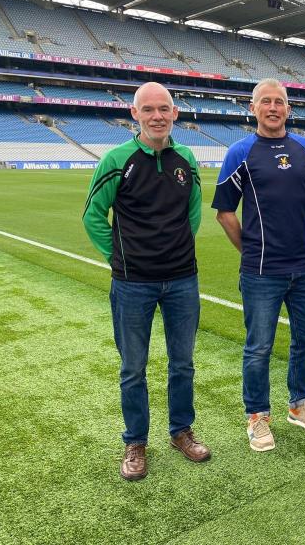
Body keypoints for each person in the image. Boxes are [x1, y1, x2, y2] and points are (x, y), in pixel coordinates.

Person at [83, 82, 210, 481]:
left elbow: (192, 214)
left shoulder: (186, 158)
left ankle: (181, 432)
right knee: (133, 368)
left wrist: (176, 251)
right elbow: (92, 216)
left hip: (182, 282)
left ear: (175, 114)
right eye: (149, 109)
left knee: (183, 363)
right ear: (134, 114)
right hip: (132, 284)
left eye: (165, 109)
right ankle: (135, 441)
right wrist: (119, 257)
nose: (157, 116)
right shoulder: (117, 160)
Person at [213, 78, 305, 452]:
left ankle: (300, 405)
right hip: (261, 272)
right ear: (253, 108)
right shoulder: (240, 153)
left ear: (288, 108)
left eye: (279, 101)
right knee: (259, 347)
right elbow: (225, 214)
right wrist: (250, 251)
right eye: (265, 101)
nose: (273, 107)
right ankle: (257, 417)